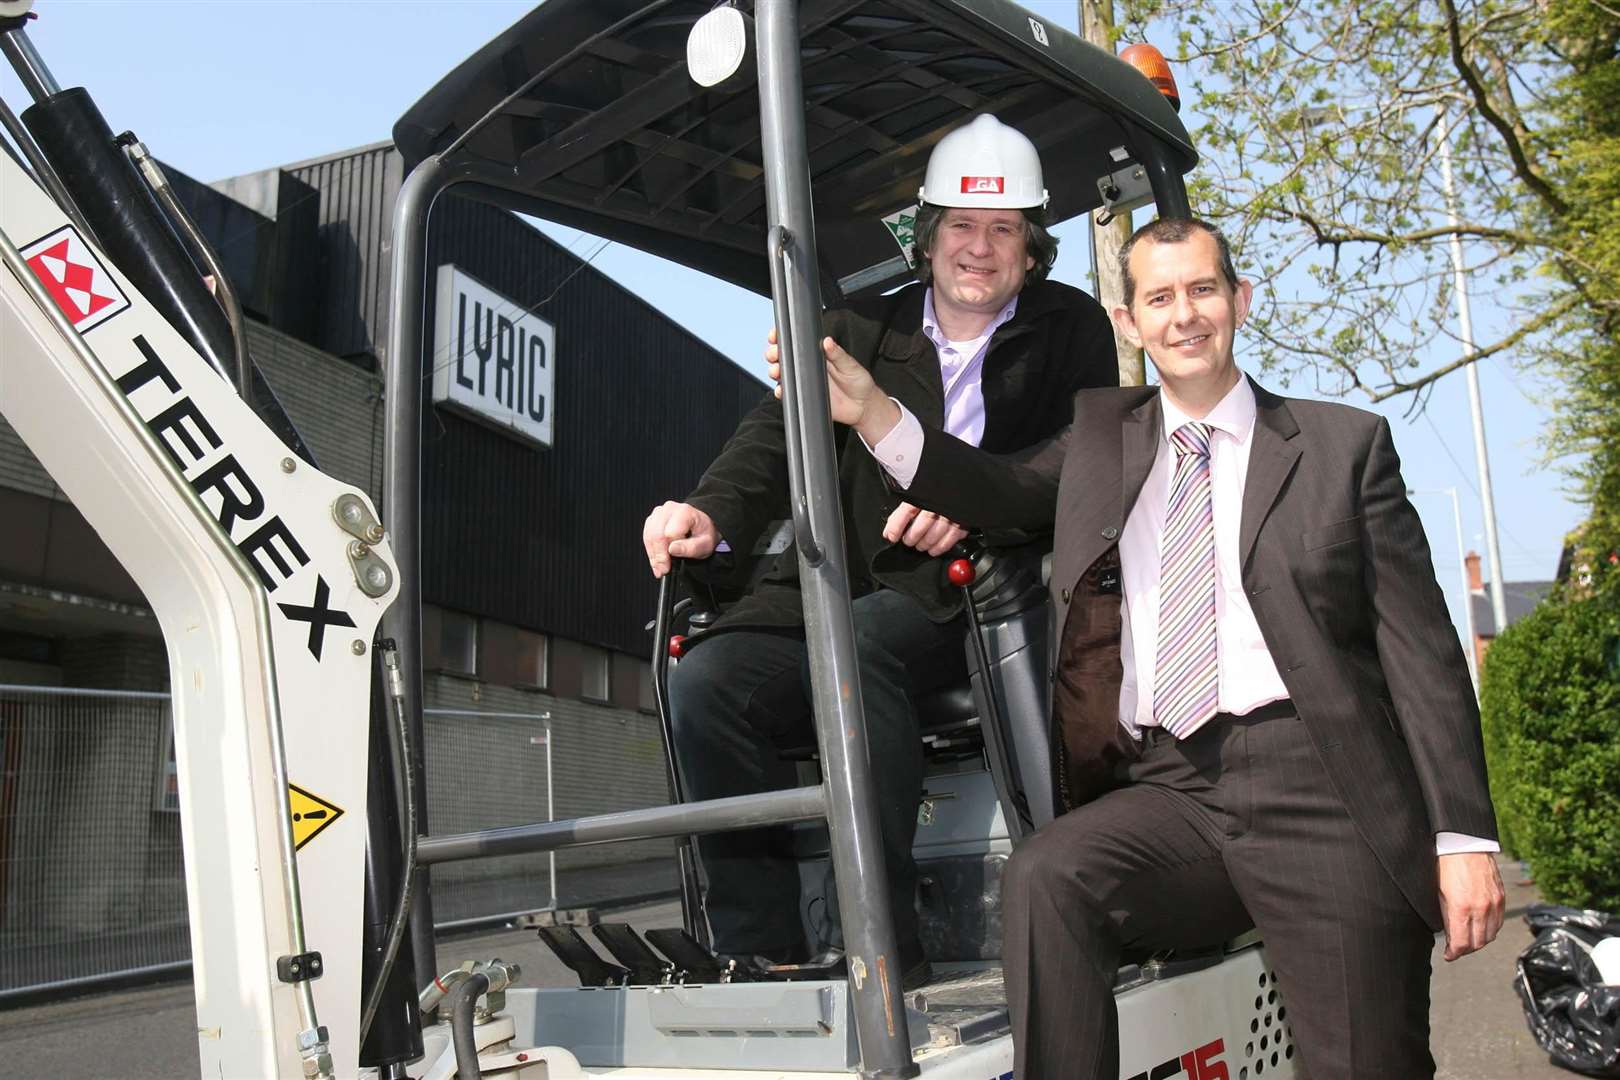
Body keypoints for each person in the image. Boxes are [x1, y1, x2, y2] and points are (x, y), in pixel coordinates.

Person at [805, 217, 1507, 1078]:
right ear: (1129, 320)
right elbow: (997, 487)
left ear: (1240, 301)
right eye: (1160, 298)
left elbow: (1422, 654)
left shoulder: (1342, 447)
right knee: (1047, 878)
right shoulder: (1103, 440)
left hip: (1321, 790)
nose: (1185, 315)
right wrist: (875, 413)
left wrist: (1464, 838)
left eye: (1203, 289)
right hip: (1173, 789)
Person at [640, 114, 1118, 975]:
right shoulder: (857, 327)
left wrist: (970, 509)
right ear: (927, 239)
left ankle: (882, 947)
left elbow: (1065, 470)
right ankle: (766, 955)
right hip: (857, 582)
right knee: (710, 679)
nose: (981, 248)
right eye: (963, 227)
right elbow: (770, 437)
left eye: (1004, 229)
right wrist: (711, 513)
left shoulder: (1070, 330)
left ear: (1032, 246)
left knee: (860, 646)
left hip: (980, 592)